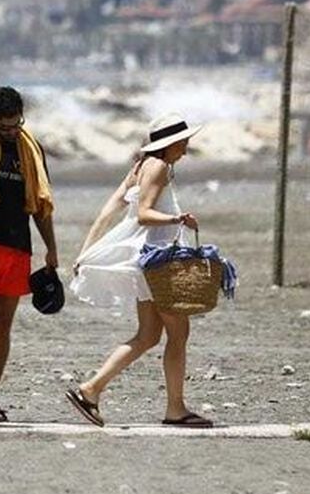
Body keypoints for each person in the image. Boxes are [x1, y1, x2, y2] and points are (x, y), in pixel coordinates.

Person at [65, 112, 212, 428]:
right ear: (170, 144)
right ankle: (175, 408)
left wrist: (85, 251)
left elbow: (110, 209)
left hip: (146, 262)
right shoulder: (158, 167)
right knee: (178, 332)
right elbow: (144, 214)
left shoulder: (142, 166)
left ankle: (91, 389)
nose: (186, 148)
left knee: (147, 335)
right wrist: (178, 220)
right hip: (158, 261)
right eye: (183, 142)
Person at [0, 85, 57, 423]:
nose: (9, 131)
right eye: (3, 126)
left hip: (18, 244)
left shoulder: (31, 151)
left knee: (3, 325)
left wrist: (51, 247)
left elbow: (40, 204)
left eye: (15, 124)